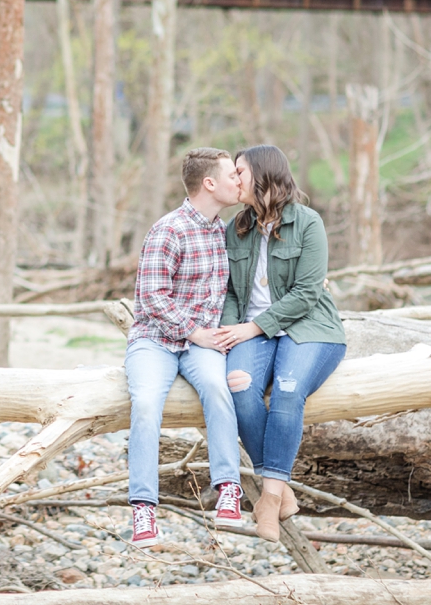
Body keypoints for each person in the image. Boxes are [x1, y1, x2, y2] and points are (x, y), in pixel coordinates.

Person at [220, 144, 347, 541]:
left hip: (307, 328)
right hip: (251, 332)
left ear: (262, 175)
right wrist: (228, 333)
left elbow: (308, 292)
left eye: (239, 172)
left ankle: (268, 501)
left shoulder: (308, 223)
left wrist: (254, 327)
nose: (233, 179)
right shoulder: (235, 229)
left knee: (289, 391)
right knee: (239, 387)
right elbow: (228, 294)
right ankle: (281, 488)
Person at [123, 148, 246, 548]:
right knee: (144, 403)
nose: (239, 182)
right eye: (233, 175)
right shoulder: (169, 230)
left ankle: (228, 488)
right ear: (209, 183)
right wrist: (195, 333)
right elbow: (151, 297)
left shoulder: (221, 230)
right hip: (156, 340)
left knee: (217, 388)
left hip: (202, 344)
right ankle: (143, 509)